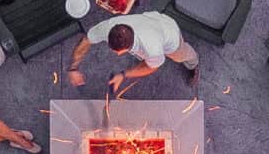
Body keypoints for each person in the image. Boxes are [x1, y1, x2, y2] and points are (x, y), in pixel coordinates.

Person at [65, 8, 197, 96]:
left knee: (182, 56)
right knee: (147, 58)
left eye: (119, 51)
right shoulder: (108, 27)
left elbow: (151, 67)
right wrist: (73, 68)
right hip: (152, 22)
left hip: (170, 35)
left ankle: (194, 64)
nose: (116, 54)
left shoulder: (152, 48)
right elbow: (86, 41)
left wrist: (123, 74)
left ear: (131, 44)